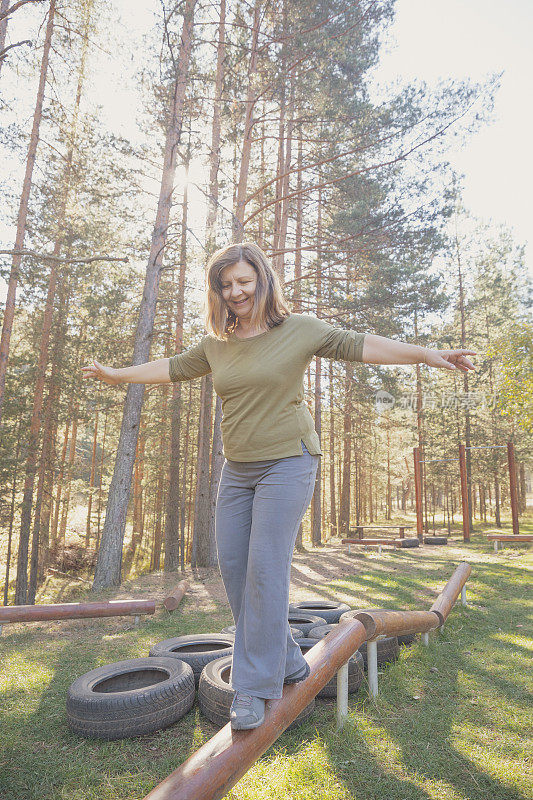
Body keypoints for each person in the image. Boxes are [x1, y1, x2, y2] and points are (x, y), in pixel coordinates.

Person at [81, 241, 475, 730]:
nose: (235, 291)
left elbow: (363, 346)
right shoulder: (216, 345)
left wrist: (427, 354)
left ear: (262, 280)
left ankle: (253, 688)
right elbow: (170, 368)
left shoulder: (300, 330)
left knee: (266, 569)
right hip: (239, 469)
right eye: (225, 285)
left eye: (243, 281)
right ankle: (287, 659)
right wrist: (118, 375)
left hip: (289, 463)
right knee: (237, 572)